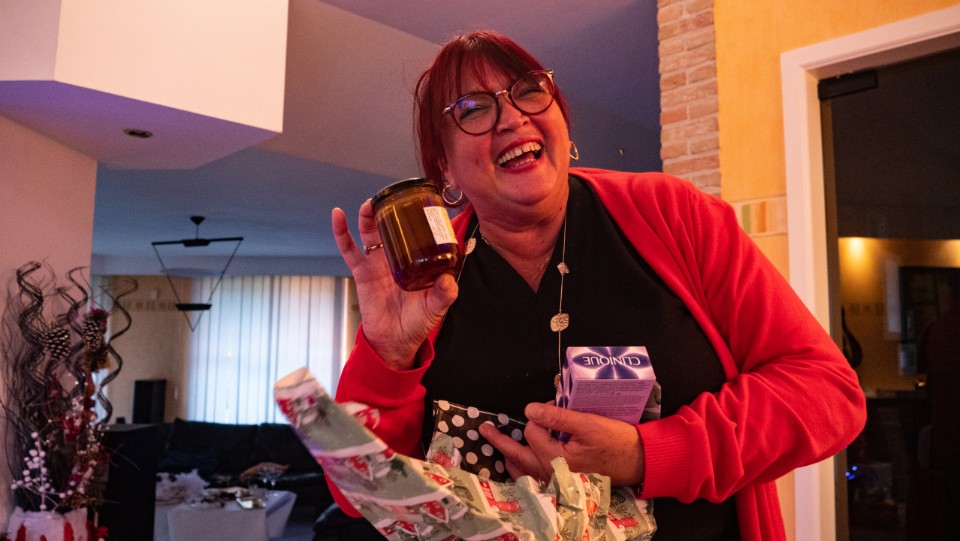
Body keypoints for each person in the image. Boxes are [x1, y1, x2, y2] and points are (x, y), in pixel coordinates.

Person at [325, 30, 866, 541]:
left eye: (529, 91)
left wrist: (645, 454)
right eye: (473, 109)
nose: (512, 117)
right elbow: (357, 495)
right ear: (444, 166)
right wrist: (387, 353)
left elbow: (826, 393)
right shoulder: (431, 280)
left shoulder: (674, 214)